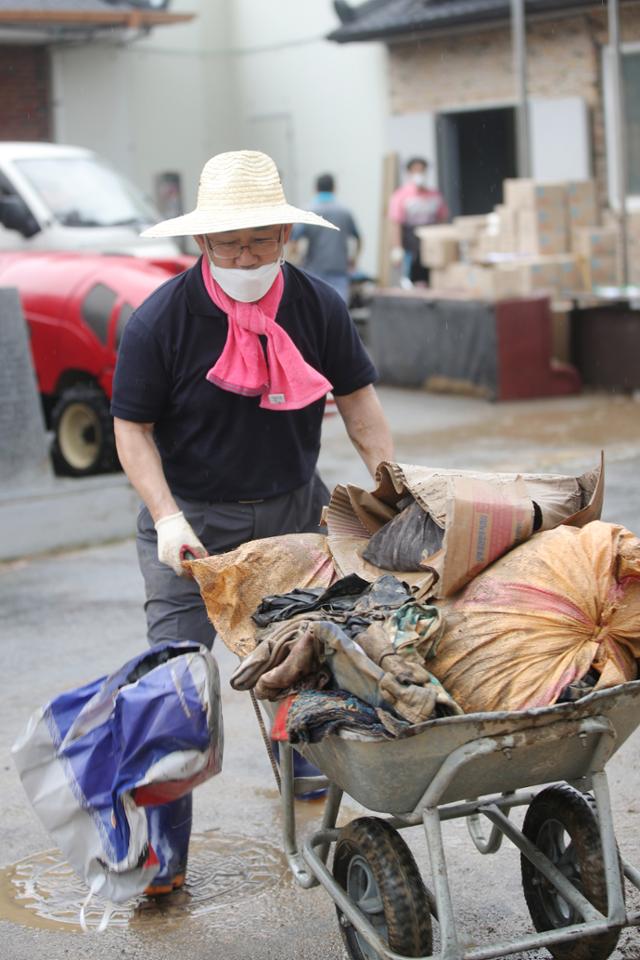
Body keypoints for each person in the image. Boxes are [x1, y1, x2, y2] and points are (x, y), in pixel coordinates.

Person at [110, 149, 394, 893]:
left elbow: (358, 399)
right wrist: (166, 516)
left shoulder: (315, 305)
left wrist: (391, 484)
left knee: (304, 659)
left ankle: (305, 808)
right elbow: (131, 429)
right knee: (175, 682)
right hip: (192, 521)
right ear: (201, 243)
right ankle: (160, 855)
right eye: (229, 242)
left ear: (284, 235)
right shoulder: (163, 319)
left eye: (260, 240)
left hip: (293, 507)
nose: (245, 255)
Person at [289, 172, 360, 303]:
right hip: (339, 270)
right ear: (334, 188)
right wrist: (354, 259)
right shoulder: (345, 212)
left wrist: (296, 258)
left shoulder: (308, 211)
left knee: (315, 311)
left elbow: (293, 239)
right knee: (339, 312)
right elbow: (358, 238)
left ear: (315, 189)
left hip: (314, 271)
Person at [388, 156, 449, 287]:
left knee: (431, 278)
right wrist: (397, 248)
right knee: (411, 278)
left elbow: (442, 218)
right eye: (415, 171)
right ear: (409, 173)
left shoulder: (434, 195)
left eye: (422, 171)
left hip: (430, 241)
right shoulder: (401, 196)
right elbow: (396, 224)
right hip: (411, 242)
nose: (419, 174)